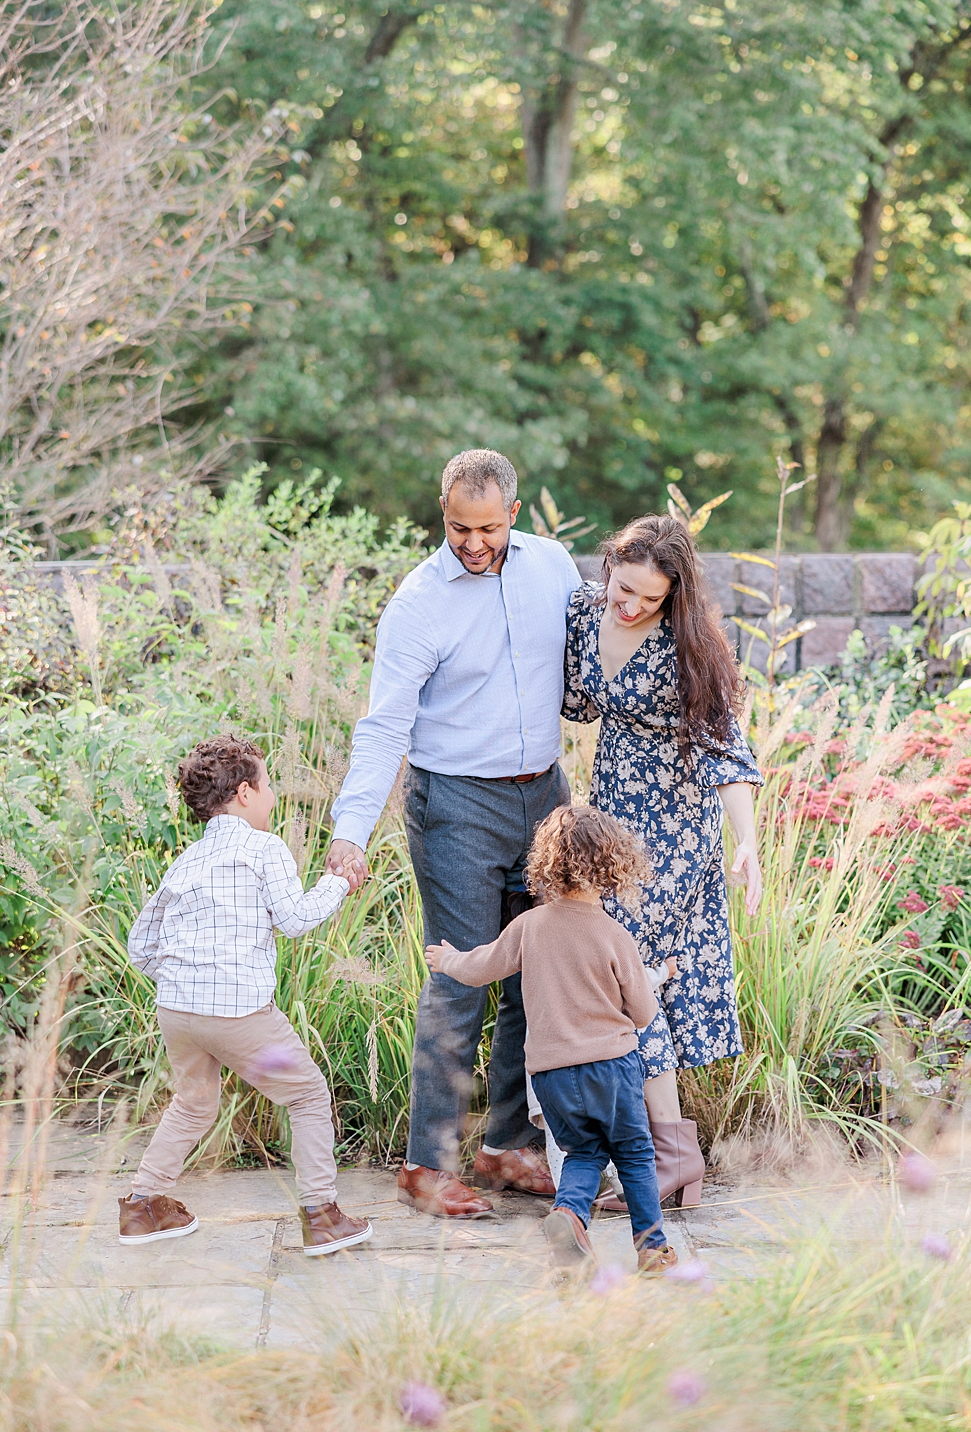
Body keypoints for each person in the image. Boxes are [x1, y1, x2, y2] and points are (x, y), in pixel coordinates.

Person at [326, 449, 577, 1218]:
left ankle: (506, 1147)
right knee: (462, 975)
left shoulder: (555, 567)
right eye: (459, 528)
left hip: (546, 797)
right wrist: (350, 832)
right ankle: (426, 1166)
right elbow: (383, 728)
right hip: (457, 805)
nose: (474, 543)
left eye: (490, 528)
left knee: (536, 974)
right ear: (442, 513)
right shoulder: (418, 603)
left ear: (514, 514)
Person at [561, 513, 764, 1211]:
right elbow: (574, 704)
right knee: (641, 987)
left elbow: (726, 750)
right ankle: (675, 1160)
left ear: (672, 595)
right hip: (608, 822)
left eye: (648, 599)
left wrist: (748, 843)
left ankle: (661, 1157)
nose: (631, 606)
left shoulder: (688, 646)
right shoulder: (585, 614)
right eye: (623, 589)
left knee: (629, 981)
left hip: (674, 832)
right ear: (608, 567)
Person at [120, 735, 371, 1256]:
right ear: (243, 793)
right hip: (237, 1011)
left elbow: (140, 945)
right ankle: (322, 1214)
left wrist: (184, 978)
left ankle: (142, 1205)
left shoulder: (186, 861)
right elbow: (296, 919)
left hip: (178, 1011)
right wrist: (338, 884)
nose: (273, 793)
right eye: (268, 782)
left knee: (192, 1104)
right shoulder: (263, 849)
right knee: (306, 1096)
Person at [425, 805, 678, 1275]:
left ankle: (568, 1217)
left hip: (551, 1076)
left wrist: (450, 959)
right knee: (635, 1154)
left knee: (583, 1152)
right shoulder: (613, 935)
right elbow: (642, 1013)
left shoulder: (529, 927)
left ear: (546, 863)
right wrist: (655, 977)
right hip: (612, 1069)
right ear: (612, 867)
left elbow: (481, 967)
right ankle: (653, 1249)